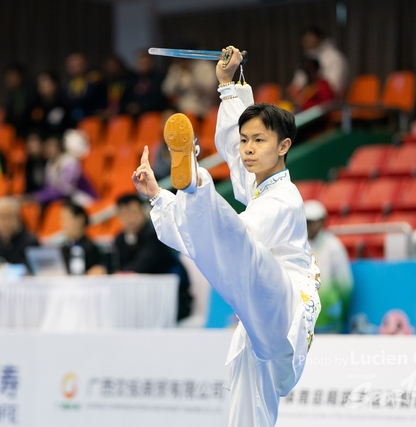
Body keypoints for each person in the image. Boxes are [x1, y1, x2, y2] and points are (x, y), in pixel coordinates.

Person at [132, 47, 320, 426]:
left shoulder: (284, 199)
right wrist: (228, 84)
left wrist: (191, 190)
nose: (248, 150)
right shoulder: (257, 184)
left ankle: (196, 183)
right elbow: (232, 154)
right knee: (247, 406)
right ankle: (191, 187)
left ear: (284, 146)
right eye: (246, 140)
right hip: (258, 325)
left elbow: (231, 243)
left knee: (237, 247)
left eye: (259, 142)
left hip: (286, 304)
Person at [111, 193, 192, 321]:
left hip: (169, 299)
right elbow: (115, 264)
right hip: (138, 300)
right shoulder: (119, 239)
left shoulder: (156, 235)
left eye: (133, 212)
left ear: (144, 212)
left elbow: (142, 266)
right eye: (124, 214)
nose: (129, 218)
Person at [304, 200, 353, 334]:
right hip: (304, 318)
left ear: (322, 221)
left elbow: (345, 284)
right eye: (307, 221)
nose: (309, 225)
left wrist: (337, 307)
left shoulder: (333, 246)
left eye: (313, 221)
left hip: (329, 317)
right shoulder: (298, 246)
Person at [32, 134, 97, 208]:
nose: (49, 150)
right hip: (67, 200)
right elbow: (49, 188)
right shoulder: (49, 164)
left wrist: (38, 196)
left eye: (52, 146)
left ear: (60, 148)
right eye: (47, 147)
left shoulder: (70, 162)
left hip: (84, 198)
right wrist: (37, 196)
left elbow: (66, 190)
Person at [287, 26, 349, 98]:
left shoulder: (335, 57)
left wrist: (311, 91)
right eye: (305, 39)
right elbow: (298, 82)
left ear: (319, 38)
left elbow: (334, 87)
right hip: (307, 98)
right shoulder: (308, 57)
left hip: (329, 101)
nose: (307, 41)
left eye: (310, 37)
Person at [0, 196, 40, 274]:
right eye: (1, 217)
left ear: (18, 218)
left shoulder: (30, 243)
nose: (5, 222)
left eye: (9, 216)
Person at [24, 71, 75, 140]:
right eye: (40, 84)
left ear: (54, 84)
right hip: (39, 139)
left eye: (45, 83)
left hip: (58, 139)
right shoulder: (33, 105)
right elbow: (29, 126)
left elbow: (69, 127)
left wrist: (55, 139)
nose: (42, 86)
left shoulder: (64, 104)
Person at [59, 199, 104, 275]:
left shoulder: (91, 248)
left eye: (66, 219)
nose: (63, 225)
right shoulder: (63, 248)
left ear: (80, 219)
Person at [62, 52, 107, 122]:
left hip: (93, 119)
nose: (76, 68)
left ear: (85, 64)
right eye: (72, 66)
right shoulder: (65, 86)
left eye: (78, 65)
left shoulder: (96, 81)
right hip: (71, 121)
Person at [122, 51, 167, 117]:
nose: (143, 66)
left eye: (145, 63)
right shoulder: (131, 79)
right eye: (141, 63)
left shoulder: (159, 78)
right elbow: (126, 98)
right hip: (133, 117)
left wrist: (141, 107)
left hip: (154, 114)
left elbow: (159, 100)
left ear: (151, 63)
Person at [3, 62, 31, 138]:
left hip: (27, 133)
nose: (9, 79)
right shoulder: (12, 94)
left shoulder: (29, 93)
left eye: (12, 75)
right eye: (7, 76)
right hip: (16, 133)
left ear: (21, 76)